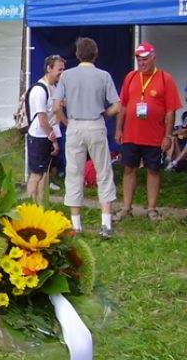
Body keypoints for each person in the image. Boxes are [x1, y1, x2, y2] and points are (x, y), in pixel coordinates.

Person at [53, 37, 121, 239]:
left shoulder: (67, 76)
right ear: (95, 55)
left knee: (74, 173)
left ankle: (76, 225)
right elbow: (117, 106)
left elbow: (56, 107)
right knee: (103, 172)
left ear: (77, 55)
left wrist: (66, 122)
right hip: (95, 124)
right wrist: (104, 113)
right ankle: (106, 224)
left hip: (75, 125)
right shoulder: (104, 76)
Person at [113, 42, 182, 221]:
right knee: (129, 168)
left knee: (153, 170)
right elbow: (124, 105)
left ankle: (152, 209)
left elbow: (170, 110)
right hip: (131, 133)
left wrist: (167, 135)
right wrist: (119, 128)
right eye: (138, 59)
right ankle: (126, 207)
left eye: (144, 59)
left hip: (154, 135)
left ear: (153, 58)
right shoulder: (131, 77)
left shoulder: (165, 79)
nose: (141, 63)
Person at [26, 54, 66, 204]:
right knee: (36, 174)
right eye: (59, 69)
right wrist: (54, 140)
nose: (62, 73)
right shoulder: (39, 90)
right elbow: (43, 120)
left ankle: (40, 205)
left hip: (46, 135)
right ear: (49, 68)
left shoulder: (54, 87)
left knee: (44, 174)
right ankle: (28, 206)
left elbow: (54, 114)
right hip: (38, 136)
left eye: (63, 69)